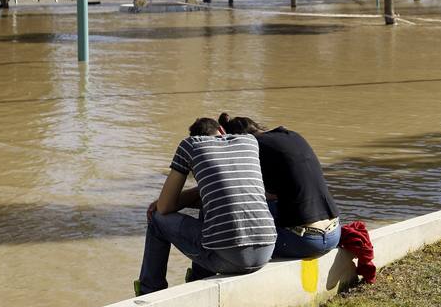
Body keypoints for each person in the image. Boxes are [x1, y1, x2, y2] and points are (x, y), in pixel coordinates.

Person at [137, 117, 276, 294]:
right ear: (222, 131)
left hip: (231, 260)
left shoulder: (190, 145)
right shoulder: (249, 142)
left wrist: (169, 200)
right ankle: (197, 278)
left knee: (157, 219)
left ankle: (149, 290)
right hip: (266, 251)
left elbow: (164, 207)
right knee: (209, 206)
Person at [218, 113, 341, 260]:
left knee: (224, 212)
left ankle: (201, 274)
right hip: (334, 234)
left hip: (305, 242)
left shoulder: (252, 147)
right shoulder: (292, 136)